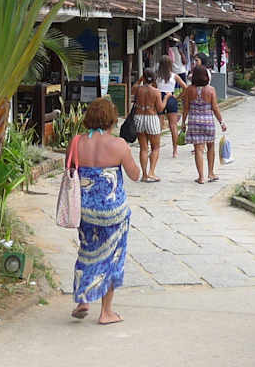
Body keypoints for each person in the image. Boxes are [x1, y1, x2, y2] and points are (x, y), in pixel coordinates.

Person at [69, 97, 141, 324]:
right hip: (113, 213)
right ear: (111, 119)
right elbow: (135, 174)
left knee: (87, 252)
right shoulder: (119, 145)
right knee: (113, 257)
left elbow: (70, 170)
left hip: (85, 212)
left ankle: (83, 299)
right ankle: (106, 312)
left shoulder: (77, 142)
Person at [181, 66, 226, 184]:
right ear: (206, 76)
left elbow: (186, 108)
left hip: (194, 122)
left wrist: (183, 123)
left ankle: (201, 177)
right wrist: (221, 122)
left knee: (198, 150)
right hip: (208, 122)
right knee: (210, 147)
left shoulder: (189, 90)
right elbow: (215, 108)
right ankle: (211, 173)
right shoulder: (211, 90)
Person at [131, 69, 169, 181]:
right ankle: (151, 172)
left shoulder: (138, 89)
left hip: (138, 117)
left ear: (143, 77)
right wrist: (166, 98)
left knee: (143, 148)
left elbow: (133, 88)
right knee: (155, 147)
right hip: (151, 118)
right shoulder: (156, 91)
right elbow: (161, 108)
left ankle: (144, 174)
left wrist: (140, 79)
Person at [155, 55, 188, 158]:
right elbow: (185, 87)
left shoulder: (157, 76)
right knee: (173, 126)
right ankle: (175, 151)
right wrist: (177, 97)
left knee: (158, 126)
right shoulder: (174, 76)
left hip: (159, 98)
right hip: (171, 97)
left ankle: (156, 149)